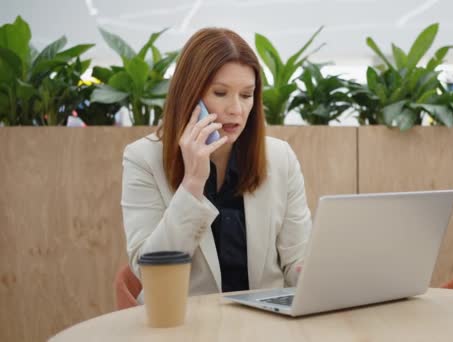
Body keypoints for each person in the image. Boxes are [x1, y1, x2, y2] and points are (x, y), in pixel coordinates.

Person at [121, 27, 311, 299]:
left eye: (247, 95)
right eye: (220, 93)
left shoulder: (280, 158)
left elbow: (296, 261)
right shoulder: (142, 159)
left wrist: (310, 272)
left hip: (265, 327)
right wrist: (193, 184)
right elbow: (150, 273)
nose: (236, 109)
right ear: (190, 97)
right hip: (186, 327)